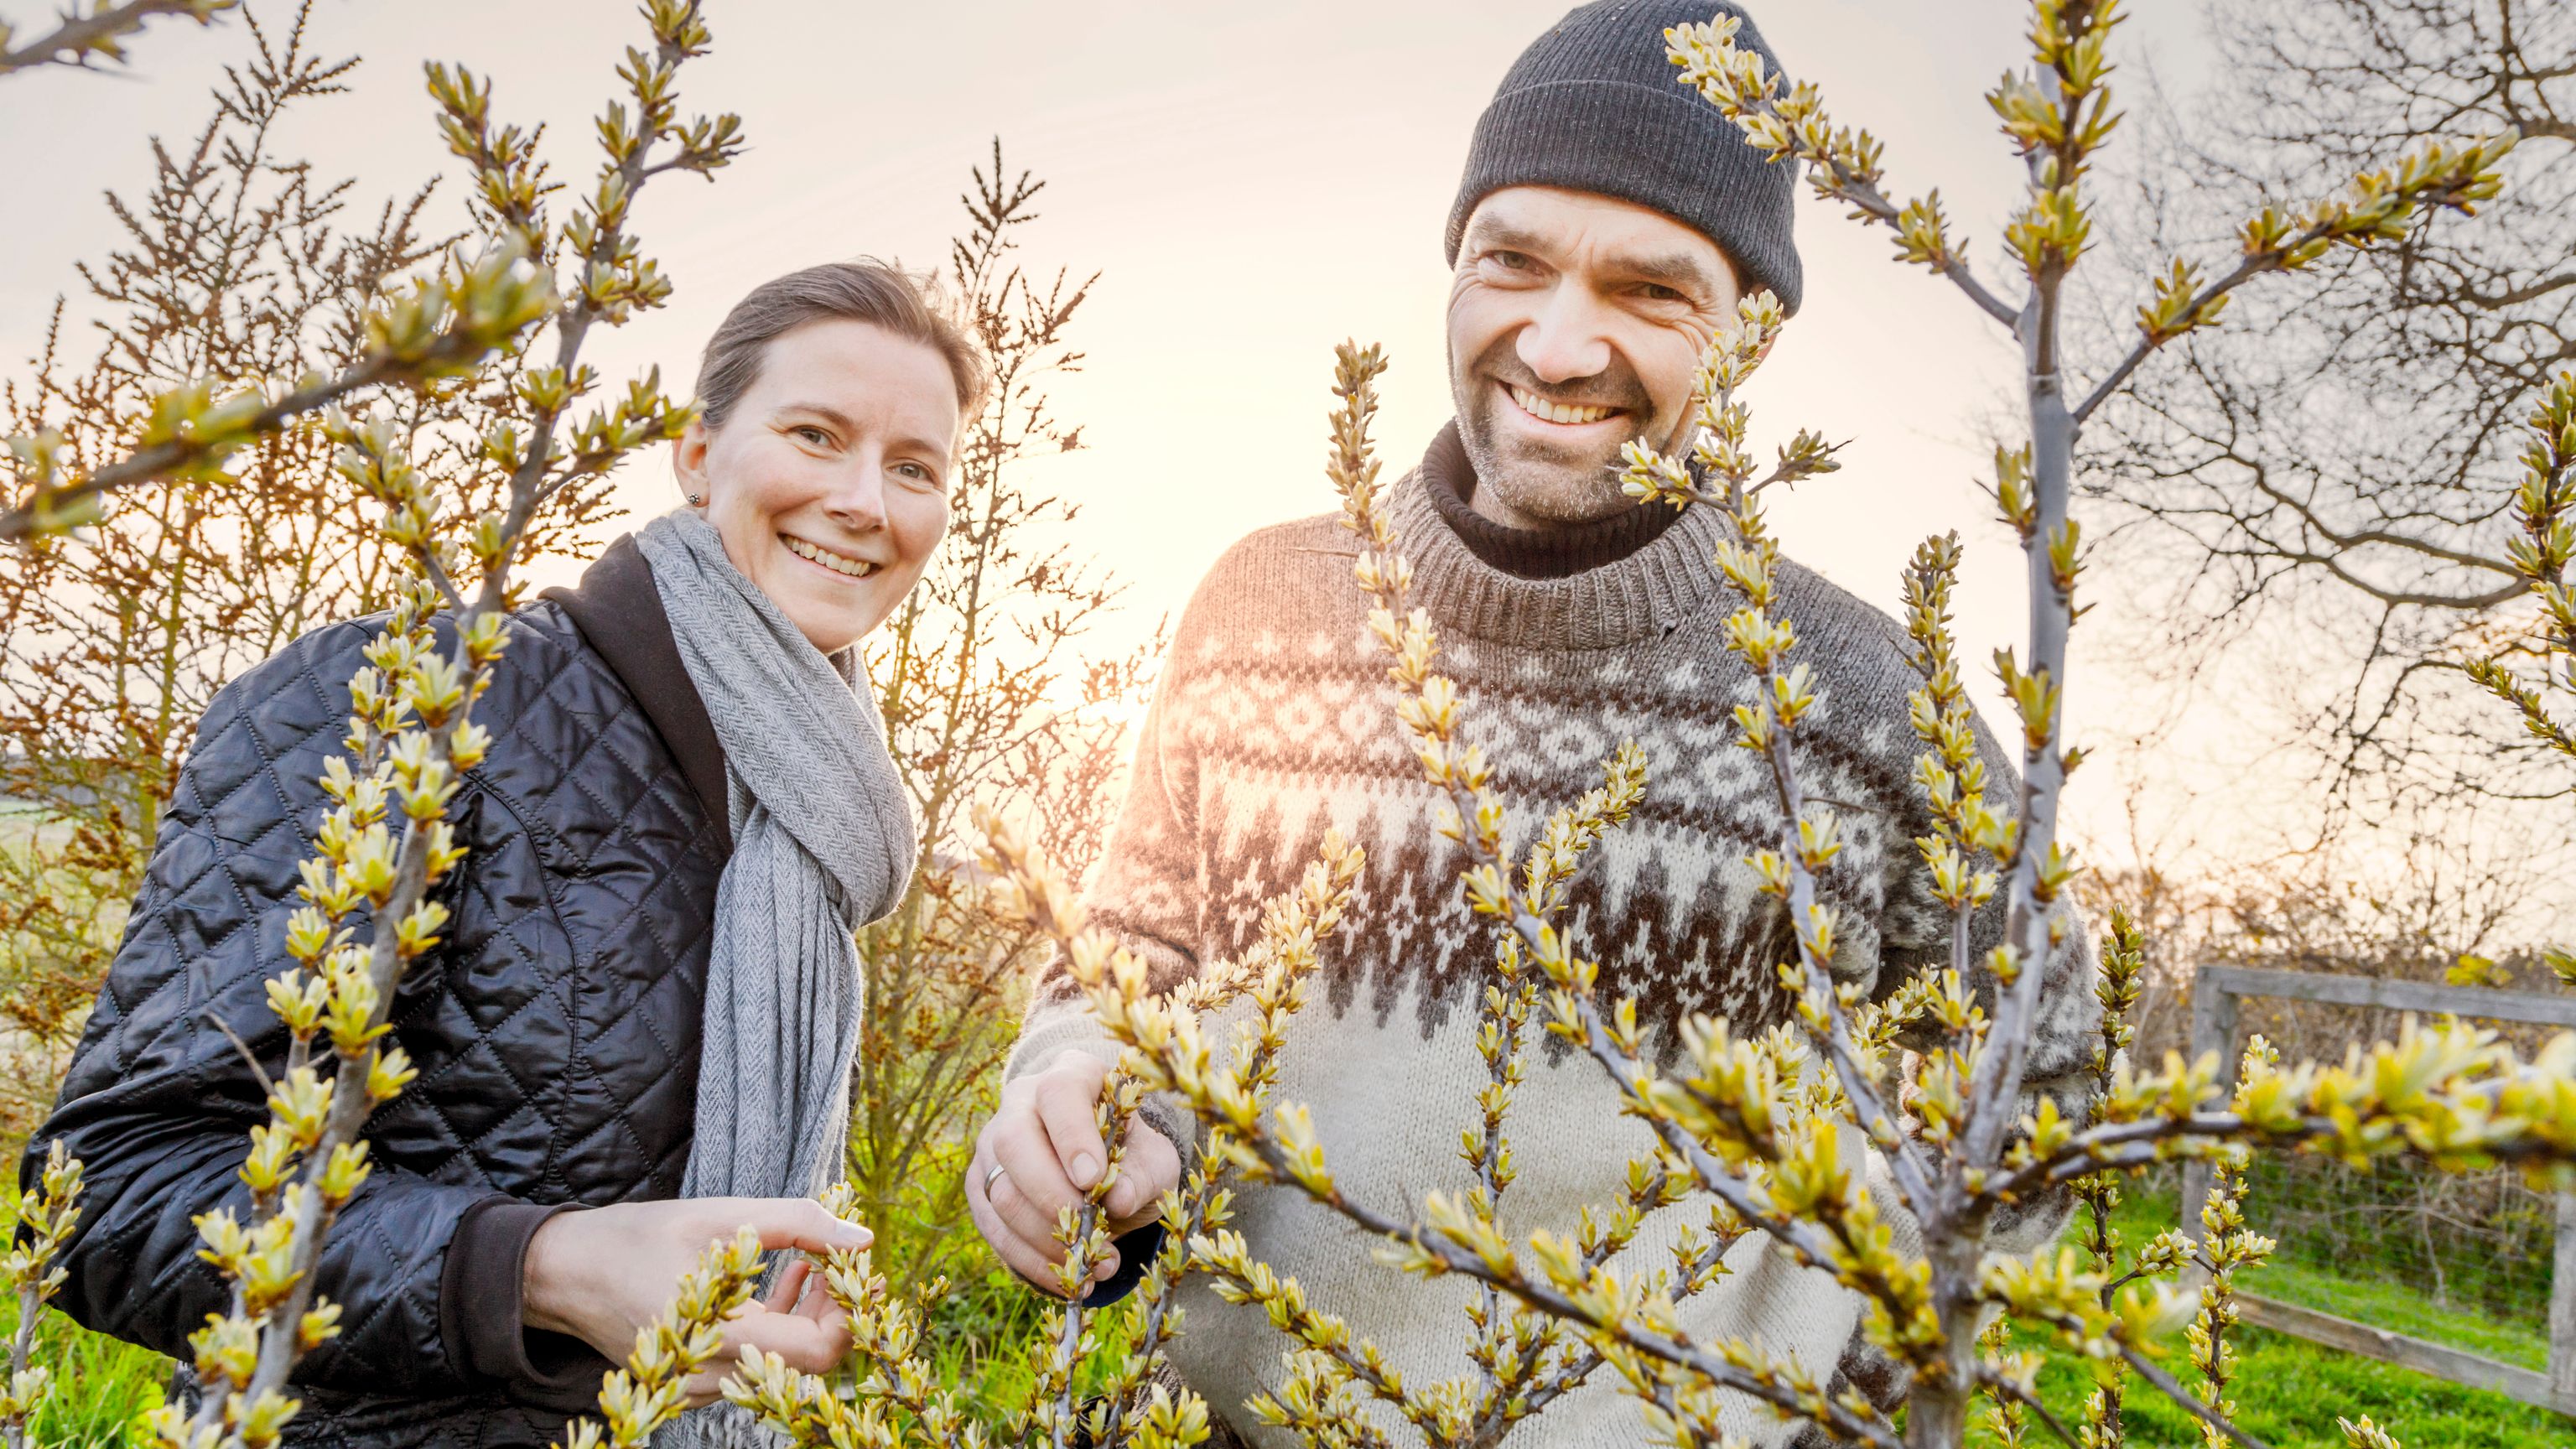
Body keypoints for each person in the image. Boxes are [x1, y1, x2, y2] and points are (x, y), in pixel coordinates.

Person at [969, 4, 2099, 1446]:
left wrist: (1814, 1388)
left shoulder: (1869, 706)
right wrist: (1082, 1093)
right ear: (1453, 265)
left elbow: (2040, 1110)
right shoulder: (1260, 605)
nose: (1560, 345)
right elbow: (1130, 958)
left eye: (1649, 290)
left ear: (1747, 331)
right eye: (1513, 260)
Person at [23, 260, 978, 1448]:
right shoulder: (419, 701)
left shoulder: (820, 813)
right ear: (694, 451)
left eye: (913, 468)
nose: (863, 501)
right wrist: (539, 1268)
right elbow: (110, 1191)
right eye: (816, 434)